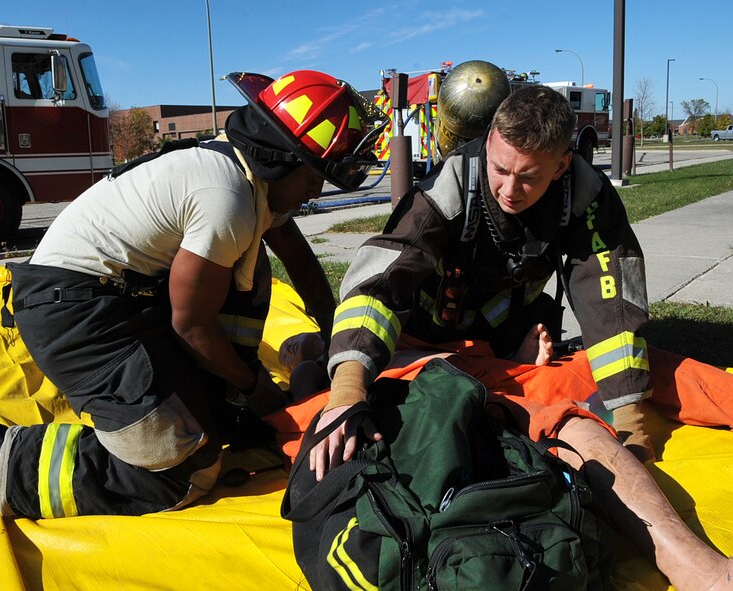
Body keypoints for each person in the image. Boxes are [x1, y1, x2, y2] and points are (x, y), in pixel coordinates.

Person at [311, 63, 733, 590]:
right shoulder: (448, 190)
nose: (509, 189)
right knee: (562, 420)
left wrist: (632, 424)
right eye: (500, 169)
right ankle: (703, 573)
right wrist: (347, 390)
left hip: (505, 349)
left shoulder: (585, 196)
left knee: (659, 368)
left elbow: (612, 309)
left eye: (529, 176)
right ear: (488, 142)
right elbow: (375, 287)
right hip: (421, 355)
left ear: (562, 164)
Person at [0, 69, 385, 519]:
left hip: (109, 296)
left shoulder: (243, 174)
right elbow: (190, 326)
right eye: (315, 175)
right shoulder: (228, 201)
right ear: (283, 162)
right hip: (76, 313)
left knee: (250, 268)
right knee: (184, 472)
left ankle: (218, 408)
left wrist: (337, 336)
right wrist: (254, 386)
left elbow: (299, 260)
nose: (316, 191)